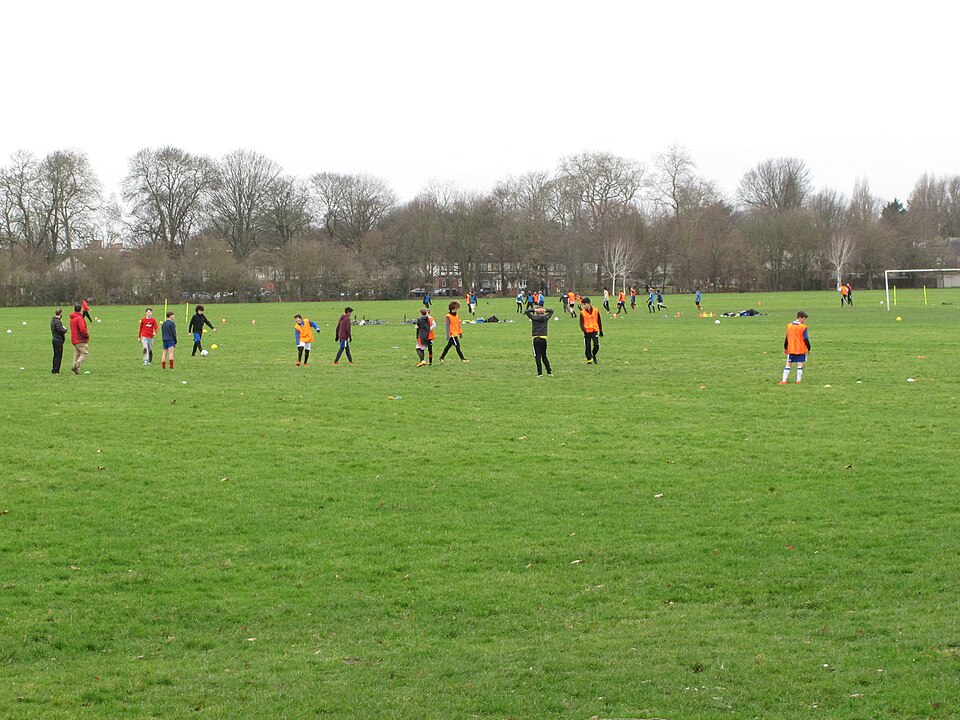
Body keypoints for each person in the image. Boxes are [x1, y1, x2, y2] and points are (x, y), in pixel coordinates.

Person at [780, 311, 810, 384]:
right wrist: (809, 348)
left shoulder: (789, 326)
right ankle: (798, 381)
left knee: (788, 363)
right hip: (801, 349)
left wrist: (785, 348)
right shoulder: (803, 327)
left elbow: (786, 338)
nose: (804, 321)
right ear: (799, 318)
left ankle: (784, 380)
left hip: (791, 348)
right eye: (803, 319)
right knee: (800, 364)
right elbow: (805, 338)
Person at [525, 304, 554, 377]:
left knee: (537, 356)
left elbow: (527, 311)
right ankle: (549, 371)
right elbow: (551, 310)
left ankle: (540, 373)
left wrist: (534, 309)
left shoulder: (534, 318)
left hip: (536, 338)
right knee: (544, 355)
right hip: (543, 338)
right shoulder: (545, 317)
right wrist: (545, 309)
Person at [579, 297, 603, 364]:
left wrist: (601, 330)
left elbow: (599, 320)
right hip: (587, 332)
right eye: (583, 304)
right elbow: (581, 323)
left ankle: (594, 354)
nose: (584, 306)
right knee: (587, 346)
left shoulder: (596, 311)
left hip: (594, 330)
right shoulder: (582, 312)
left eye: (585, 304)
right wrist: (583, 329)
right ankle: (589, 360)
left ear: (589, 304)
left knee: (596, 345)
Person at [69, 304, 90, 375]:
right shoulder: (79, 318)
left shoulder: (72, 318)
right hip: (80, 339)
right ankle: (76, 365)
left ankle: (76, 370)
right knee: (85, 354)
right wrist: (86, 335)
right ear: (80, 310)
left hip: (74, 339)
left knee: (77, 354)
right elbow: (82, 329)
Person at [50, 308, 67, 374]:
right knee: (58, 356)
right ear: (60, 313)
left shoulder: (53, 320)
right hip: (58, 340)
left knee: (55, 355)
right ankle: (56, 370)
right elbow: (60, 330)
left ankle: (54, 369)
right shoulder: (57, 321)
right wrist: (65, 329)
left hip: (55, 339)